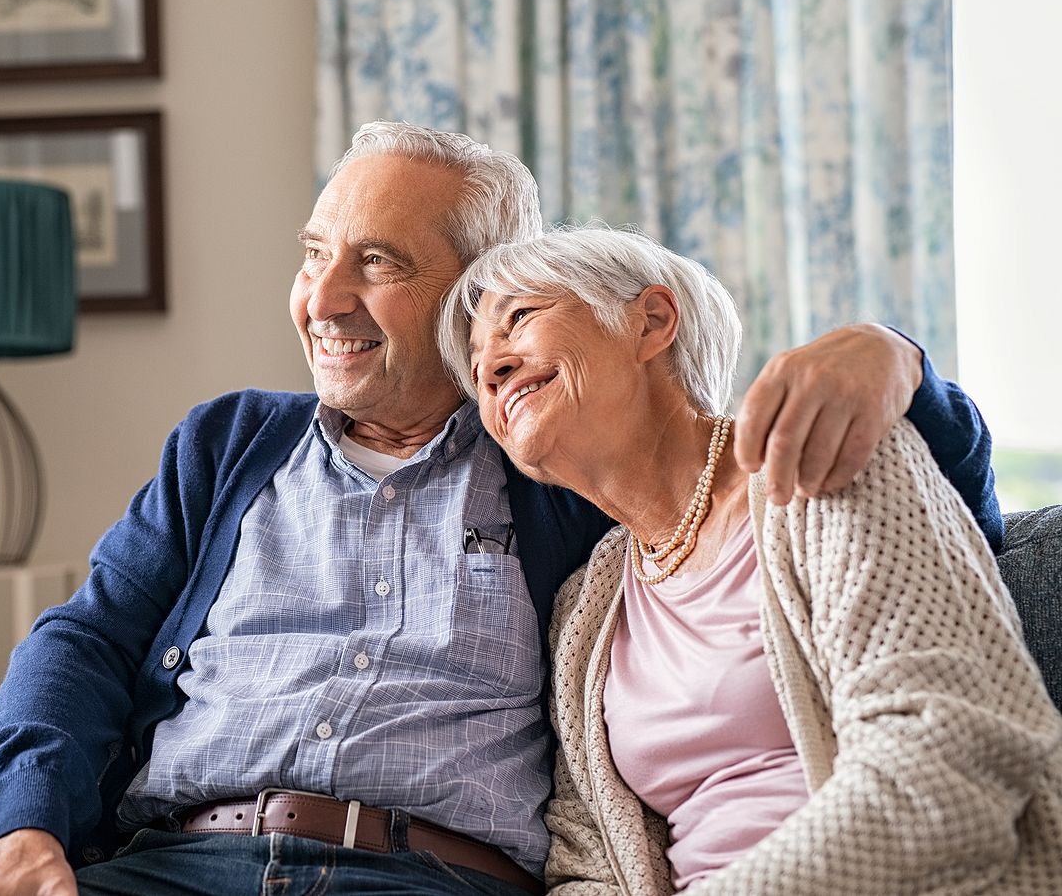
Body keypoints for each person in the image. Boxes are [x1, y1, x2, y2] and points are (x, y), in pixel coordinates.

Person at [0, 123, 1000, 896]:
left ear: (475, 288)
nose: (321, 297)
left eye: (377, 261)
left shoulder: (560, 471)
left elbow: (883, 506)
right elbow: (82, 642)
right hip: (172, 865)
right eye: (315, 252)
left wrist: (893, 356)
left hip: (427, 879)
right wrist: (26, 821)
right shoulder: (226, 446)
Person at [445, 225, 1060, 895]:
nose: (491, 367)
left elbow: (943, 769)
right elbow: (585, 865)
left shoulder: (829, 466)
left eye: (520, 318)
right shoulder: (583, 613)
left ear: (651, 322)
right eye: (476, 364)